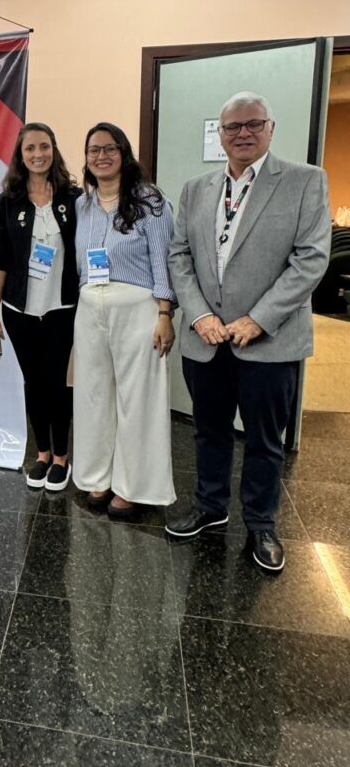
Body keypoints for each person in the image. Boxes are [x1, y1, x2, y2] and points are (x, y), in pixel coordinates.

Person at [166, 91, 331, 572]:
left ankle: (261, 523)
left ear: (270, 128)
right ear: (220, 134)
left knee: (264, 439)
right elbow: (180, 255)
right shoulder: (196, 188)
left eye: (253, 123)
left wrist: (258, 319)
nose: (243, 133)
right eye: (232, 126)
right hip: (207, 339)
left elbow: (310, 260)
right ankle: (210, 506)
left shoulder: (304, 181)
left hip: (271, 342)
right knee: (209, 431)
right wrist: (199, 315)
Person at [73, 123, 176, 518]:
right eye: (93, 150)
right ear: (86, 158)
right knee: (94, 395)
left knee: (138, 399)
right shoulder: (83, 205)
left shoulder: (150, 201)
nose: (101, 156)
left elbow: (163, 261)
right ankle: (98, 476)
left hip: (137, 308)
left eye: (110, 148)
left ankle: (132, 486)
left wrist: (164, 313)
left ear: (124, 153)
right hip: (90, 307)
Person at [0, 123, 80, 490]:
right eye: (30, 148)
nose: (38, 154)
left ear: (53, 150)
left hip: (62, 308)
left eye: (44, 147)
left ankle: (61, 457)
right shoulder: (6, 203)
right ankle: (41, 454)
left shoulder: (74, 199)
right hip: (19, 310)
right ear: (20, 155)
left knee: (57, 382)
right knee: (34, 383)